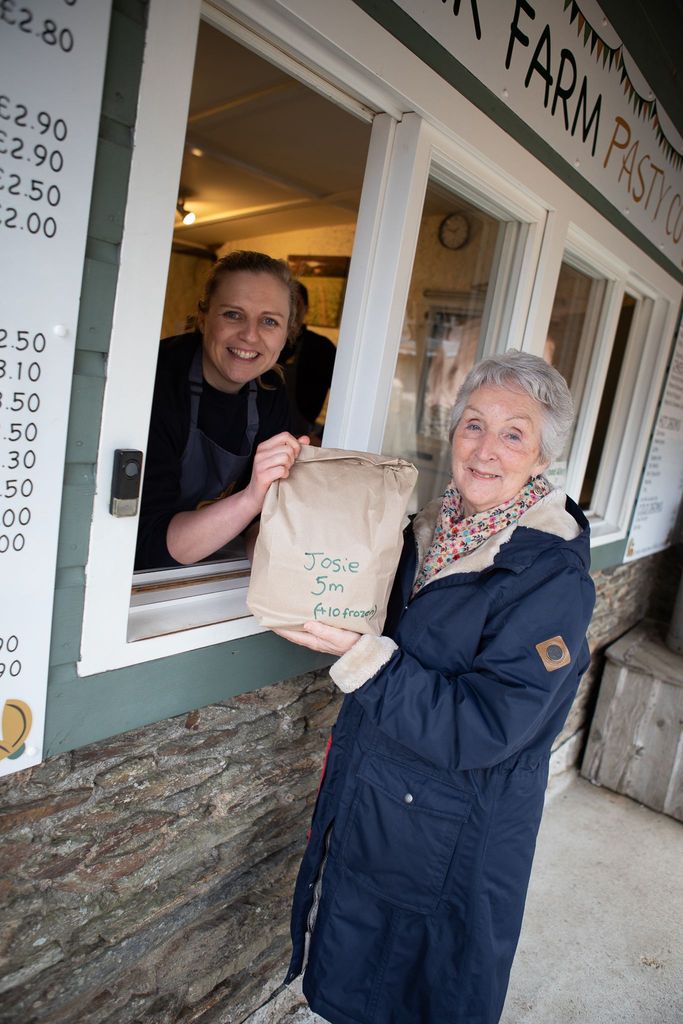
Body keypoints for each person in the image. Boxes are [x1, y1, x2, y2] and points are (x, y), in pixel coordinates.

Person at [276, 350, 596, 1024]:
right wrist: (289, 491)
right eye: (472, 425)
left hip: (454, 827)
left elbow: (484, 725)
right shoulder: (428, 528)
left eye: (514, 433)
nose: (485, 449)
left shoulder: (549, 576)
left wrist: (367, 661)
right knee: (360, 975)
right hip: (388, 798)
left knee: (420, 991)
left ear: (541, 459)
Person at [135, 251, 308, 569]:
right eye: (233, 314)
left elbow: (264, 519)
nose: (250, 335)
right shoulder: (154, 381)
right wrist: (251, 498)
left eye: (269, 321)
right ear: (203, 317)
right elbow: (148, 543)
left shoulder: (270, 392)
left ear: (287, 335)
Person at [278, 281, 337, 439]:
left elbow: (346, 398)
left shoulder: (321, 348)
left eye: (296, 303)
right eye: (286, 303)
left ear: (307, 307)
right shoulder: (265, 341)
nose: (292, 310)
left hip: (299, 440)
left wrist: (322, 435)